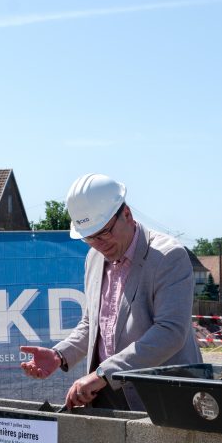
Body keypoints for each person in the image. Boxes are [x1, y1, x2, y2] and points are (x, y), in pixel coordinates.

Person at [20, 173, 201, 410]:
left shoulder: (168, 256)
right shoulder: (94, 258)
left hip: (162, 398)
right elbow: (92, 324)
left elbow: (170, 332)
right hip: (107, 393)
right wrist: (59, 355)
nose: (100, 243)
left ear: (126, 214)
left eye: (105, 232)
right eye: (89, 238)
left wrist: (104, 374)